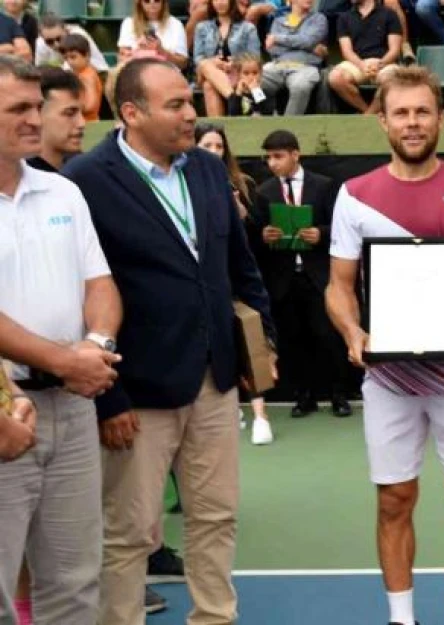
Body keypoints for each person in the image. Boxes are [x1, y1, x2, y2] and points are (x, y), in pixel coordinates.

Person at [61, 58, 276, 625]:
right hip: (135, 393)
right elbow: (78, 297)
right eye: (176, 104)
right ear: (131, 113)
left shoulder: (207, 169)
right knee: (129, 533)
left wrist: (262, 345)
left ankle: (215, 618)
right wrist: (108, 398)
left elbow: (239, 266)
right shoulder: (84, 180)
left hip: (215, 378)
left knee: (216, 515)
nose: (192, 113)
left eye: (190, 100)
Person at [326, 65, 444, 625]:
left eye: (422, 111)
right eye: (401, 112)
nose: (412, 123)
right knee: (393, 500)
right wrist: (353, 332)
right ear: (381, 120)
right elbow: (337, 287)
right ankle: (402, 618)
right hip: (388, 379)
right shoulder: (355, 196)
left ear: (441, 118)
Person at [0, 56, 123, 625]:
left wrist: (93, 346)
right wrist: (65, 361)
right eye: (18, 109)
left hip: (72, 409)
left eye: (35, 106)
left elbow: (99, 282)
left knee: (75, 586)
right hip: (7, 411)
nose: (35, 119)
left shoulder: (62, 193)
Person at [256, 130, 349, 419]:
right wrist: (265, 235)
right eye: (268, 157)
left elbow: (341, 227)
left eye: (278, 156)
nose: (272, 163)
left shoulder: (324, 186)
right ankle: (303, 396)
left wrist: (319, 233)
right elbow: (256, 237)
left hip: (318, 275)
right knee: (293, 341)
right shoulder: (264, 192)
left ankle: (339, 395)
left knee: (327, 336)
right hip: (284, 278)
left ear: (295, 154)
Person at [195, 121, 275, 444]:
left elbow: (255, 242)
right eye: (207, 146)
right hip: (207, 285)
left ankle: (261, 417)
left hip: (240, 283)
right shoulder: (189, 184)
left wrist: (242, 215)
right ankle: (231, 408)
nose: (214, 152)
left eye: (219, 146)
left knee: (251, 341)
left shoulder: (244, 183)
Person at [327, 0, 403, 113]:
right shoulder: (344, 17)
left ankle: (369, 114)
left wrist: (380, 64)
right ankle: (367, 111)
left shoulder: (389, 14)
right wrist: (361, 65)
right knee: (335, 77)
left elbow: (395, 50)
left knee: (391, 79)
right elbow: (347, 51)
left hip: (384, 62)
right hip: (357, 63)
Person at [193, 0, 260, 117]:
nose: (220, 3)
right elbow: (197, 58)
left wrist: (236, 62)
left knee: (208, 86)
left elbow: (255, 57)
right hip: (210, 73)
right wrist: (213, 62)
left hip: (238, 74)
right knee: (204, 64)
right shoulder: (201, 27)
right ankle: (232, 98)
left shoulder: (248, 28)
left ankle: (219, 128)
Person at [261, 0, 329, 116]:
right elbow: (273, 49)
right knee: (254, 80)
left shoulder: (318, 19)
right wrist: (308, 47)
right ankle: (267, 114)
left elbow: (308, 41)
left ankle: (289, 126)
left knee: (300, 86)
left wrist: (278, 39)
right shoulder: (279, 21)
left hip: (305, 66)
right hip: (278, 64)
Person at [116, 0, 189, 69]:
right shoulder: (129, 23)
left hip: (166, 73)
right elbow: (122, 58)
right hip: (136, 73)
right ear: (140, 2)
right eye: (147, 0)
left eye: (157, 0)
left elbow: (183, 63)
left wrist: (161, 50)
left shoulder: (176, 24)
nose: (152, 2)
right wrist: (138, 50)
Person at [34, 13, 110, 73]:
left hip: (97, 72)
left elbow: (78, 67)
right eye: (49, 41)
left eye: (59, 38)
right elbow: (40, 69)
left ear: (66, 30)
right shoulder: (40, 43)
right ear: (42, 37)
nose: (56, 44)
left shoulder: (78, 35)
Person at [58, 34, 102, 122]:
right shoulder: (81, 74)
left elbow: (91, 105)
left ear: (87, 55)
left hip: (89, 122)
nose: (69, 62)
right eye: (66, 58)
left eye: (73, 57)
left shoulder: (87, 76)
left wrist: (69, 105)